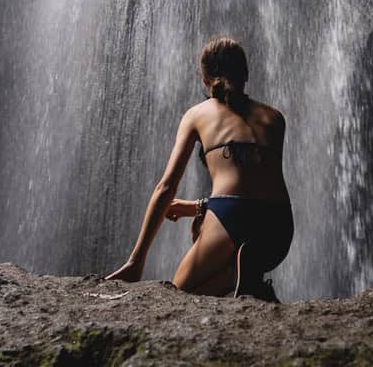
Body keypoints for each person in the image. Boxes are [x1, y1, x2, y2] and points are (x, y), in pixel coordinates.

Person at [106, 36, 293, 299]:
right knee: (205, 288)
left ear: (205, 78)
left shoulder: (197, 114)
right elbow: (255, 186)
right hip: (279, 227)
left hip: (233, 215)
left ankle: (233, 274)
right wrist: (197, 207)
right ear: (246, 74)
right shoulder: (275, 118)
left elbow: (166, 186)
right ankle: (241, 275)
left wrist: (136, 261)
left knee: (177, 297)